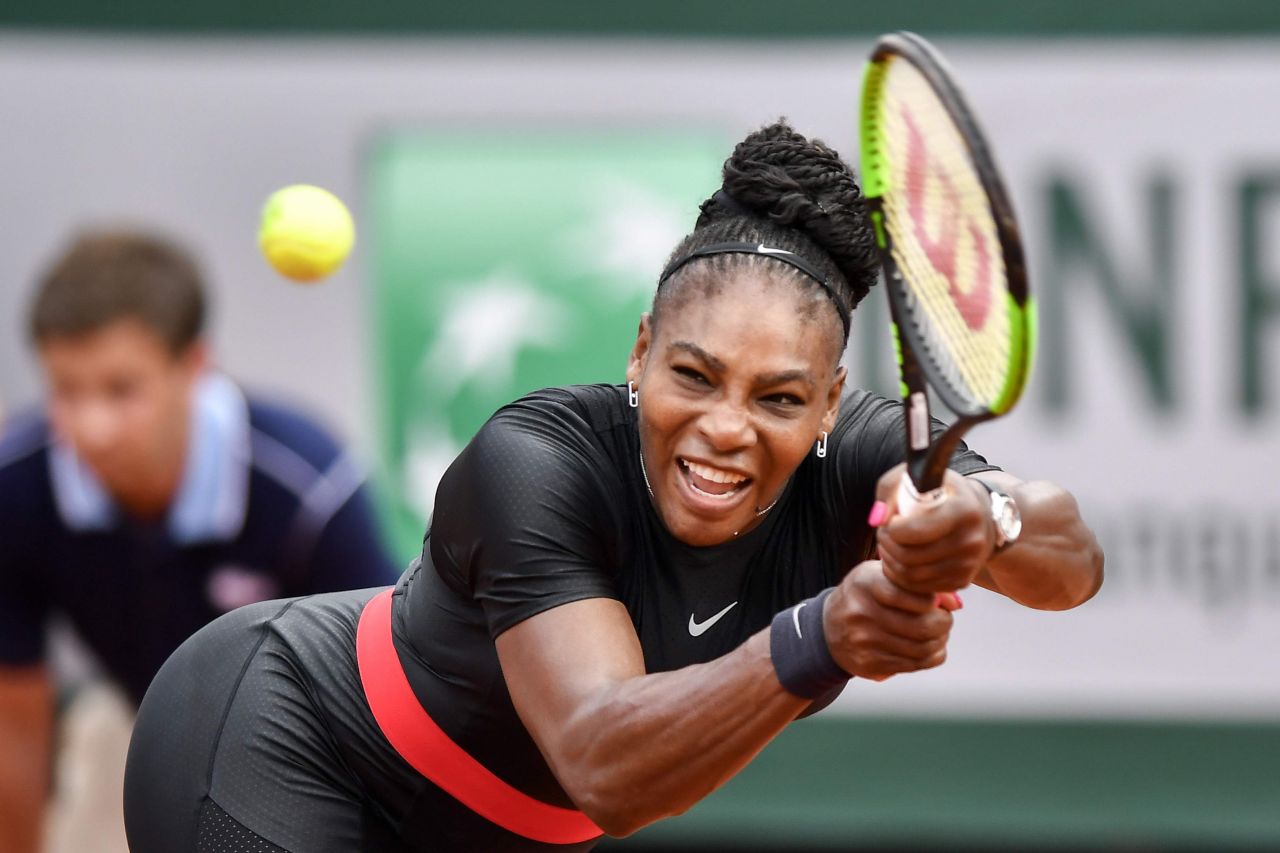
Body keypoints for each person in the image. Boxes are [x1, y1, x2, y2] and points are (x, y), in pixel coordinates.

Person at [123, 122, 1104, 852]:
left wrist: (980, 516)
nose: (724, 425)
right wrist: (819, 636)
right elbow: (602, 767)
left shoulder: (861, 457)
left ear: (827, 406)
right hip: (284, 736)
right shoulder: (535, 457)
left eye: (776, 397)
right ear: (639, 353)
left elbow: (1070, 566)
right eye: (692, 374)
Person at [0, 230, 400, 852]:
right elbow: (13, 720)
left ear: (193, 366)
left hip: (307, 748)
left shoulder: (307, 489)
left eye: (120, 390)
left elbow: (381, 708)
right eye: (67, 391)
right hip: (134, 725)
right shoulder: (16, 487)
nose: (92, 428)